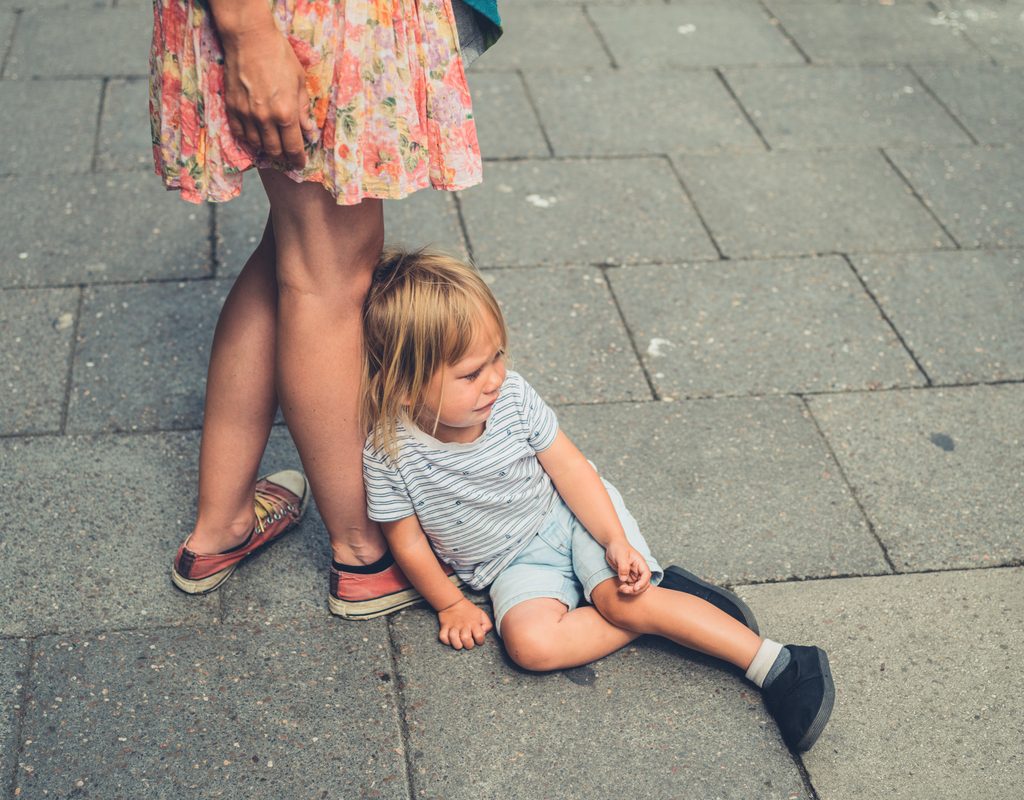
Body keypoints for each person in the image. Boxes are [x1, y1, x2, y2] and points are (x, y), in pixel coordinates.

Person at [359, 247, 836, 752]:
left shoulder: (513, 401)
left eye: (498, 356)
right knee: (529, 646)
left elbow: (571, 470)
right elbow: (407, 541)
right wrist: (451, 604)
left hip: (569, 517)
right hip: (508, 566)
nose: (495, 377)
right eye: (471, 373)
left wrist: (612, 539)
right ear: (405, 388)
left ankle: (780, 664)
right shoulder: (389, 451)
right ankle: (672, 608)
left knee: (617, 599)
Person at [150, 0, 499, 615]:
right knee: (328, 272)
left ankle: (223, 524)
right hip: (301, 20)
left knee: (297, 246)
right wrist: (248, 32)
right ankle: (365, 553)